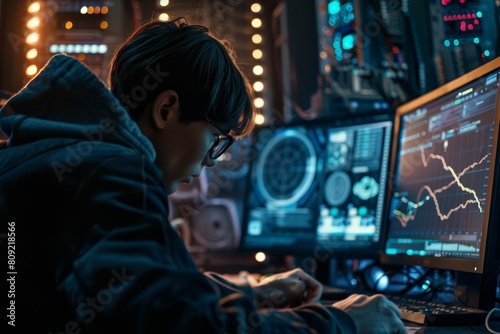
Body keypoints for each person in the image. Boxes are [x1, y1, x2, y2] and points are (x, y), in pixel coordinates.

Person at [0, 17, 406, 333]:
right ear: (165, 110)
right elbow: (177, 326)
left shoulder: (60, 155)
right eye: (215, 137)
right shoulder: (109, 171)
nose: (211, 161)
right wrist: (345, 324)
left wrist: (251, 294)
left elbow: (141, 294)